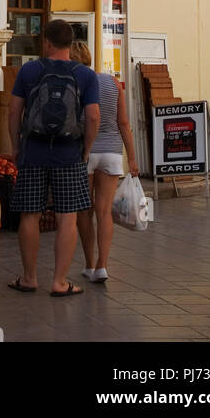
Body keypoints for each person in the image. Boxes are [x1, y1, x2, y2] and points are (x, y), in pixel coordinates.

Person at [4, 19, 100, 296]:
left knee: (30, 215)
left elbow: (14, 111)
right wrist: (86, 149)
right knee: (67, 218)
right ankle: (59, 282)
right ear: (71, 43)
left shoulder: (29, 70)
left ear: (46, 42)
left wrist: (17, 145)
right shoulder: (85, 75)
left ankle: (29, 277)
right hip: (69, 154)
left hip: (33, 151)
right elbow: (93, 116)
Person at [70, 40, 139, 283]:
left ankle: (89, 263)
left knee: (83, 211)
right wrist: (132, 158)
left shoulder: (74, 83)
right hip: (111, 153)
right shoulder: (112, 83)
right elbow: (123, 124)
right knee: (104, 212)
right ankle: (103, 266)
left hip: (84, 151)